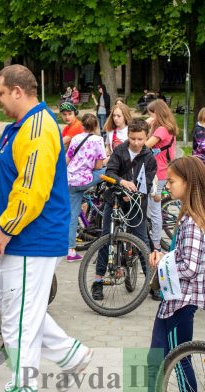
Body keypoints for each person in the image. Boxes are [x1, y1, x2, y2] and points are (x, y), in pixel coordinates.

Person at [0, 64, 92, 392]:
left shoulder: (37, 127)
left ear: (17, 91)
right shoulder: (25, 125)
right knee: (15, 309)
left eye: (0, 92)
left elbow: (31, 188)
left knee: (18, 320)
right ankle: (70, 354)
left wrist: (6, 227)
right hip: (27, 238)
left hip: (31, 237)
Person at [142, 156, 205, 392]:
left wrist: (162, 260)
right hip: (173, 299)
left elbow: (188, 267)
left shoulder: (193, 222)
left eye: (173, 181)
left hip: (182, 302)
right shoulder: (190, 216)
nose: (167, 186)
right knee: (157, 355)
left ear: (188, 183)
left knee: (179, 358)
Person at [92, 118, 157, 300]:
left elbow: (148, 182)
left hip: (137, 203)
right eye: (133, 138)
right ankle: (98, 282)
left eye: (140, 139)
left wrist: (136, 193)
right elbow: (109, 173)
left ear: (146, 138)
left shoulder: (149, 157)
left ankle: (152, 283)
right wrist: (122, 183)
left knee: (142, 240)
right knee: (107, 238)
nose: (136, 143)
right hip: (115, 199)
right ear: (128, 135)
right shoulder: (120, 151)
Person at [66, 114, 106, 262]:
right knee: (107, 171)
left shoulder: (75, 138)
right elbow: (98, 166)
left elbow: (68, 159)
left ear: (82, 125)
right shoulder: (98, 140)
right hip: (85, 180)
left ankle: (70, 250)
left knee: (72, 214)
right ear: (96, 126)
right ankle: (102, 194)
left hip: (70, 179)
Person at [146, 99, 179, 251]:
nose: (150, 116)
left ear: (157, 113)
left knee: (154, 210)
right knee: (154, 208)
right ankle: (155, 243)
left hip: (156, 173)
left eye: (151, 114)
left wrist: (147, 125)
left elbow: (144, 145)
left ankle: (156, 246)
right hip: (162, 171)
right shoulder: (169, 128)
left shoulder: (161, 130)